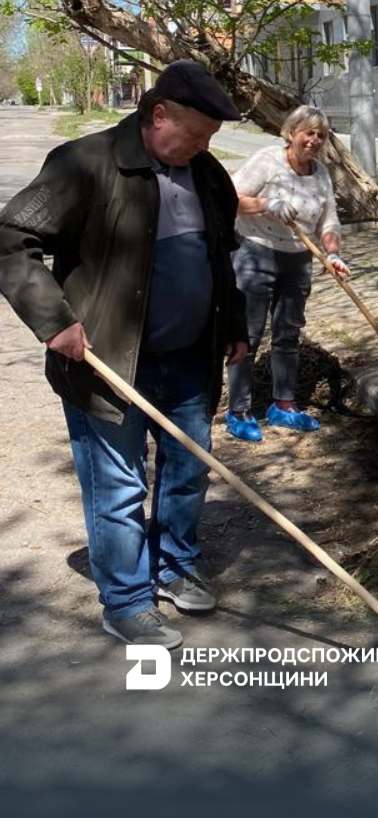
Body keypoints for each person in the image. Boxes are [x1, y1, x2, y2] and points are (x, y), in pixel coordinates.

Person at [0, 61, 248, 649]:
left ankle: (175, 566)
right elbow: (10, 240)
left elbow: (222, 258)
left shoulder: (207, 174)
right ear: (158, 113)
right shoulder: (84, 164)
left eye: (209, 138)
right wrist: (54, 321)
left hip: (190, 358)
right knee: (119, 487)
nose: (201, 147)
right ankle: (128, 601)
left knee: (188, 469)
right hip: (109, 364)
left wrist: (233, 324)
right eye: (193, 134)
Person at [224, 104, 348, 442]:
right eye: (308, 132)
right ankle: (238, 411)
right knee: (247, 335)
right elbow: (230, 197)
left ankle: (284, 405)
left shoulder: (320, 174)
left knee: (288, 334)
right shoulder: (267, 161)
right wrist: (267, 204)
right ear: (291, 133)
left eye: (321, 136)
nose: (314, 140)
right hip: (256, 252)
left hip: (298, 260)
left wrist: (333, 253)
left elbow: (329, 220)